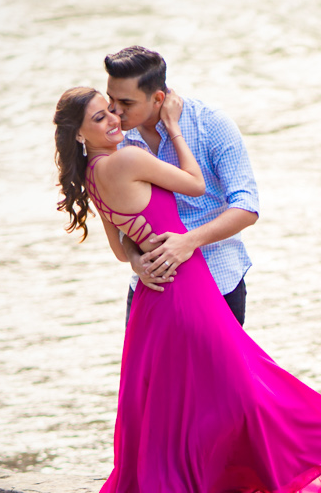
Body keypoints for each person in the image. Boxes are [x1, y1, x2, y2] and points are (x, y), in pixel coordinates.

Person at [53, 87, 321, 493]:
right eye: (100, 119)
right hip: (184, 286)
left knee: (166, 402)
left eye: (112, 111)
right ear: (80, 133)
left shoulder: (93, 169)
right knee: (241, 382)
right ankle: (294, 457)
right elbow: (196, 185)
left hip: (154, 292)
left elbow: (122, 249)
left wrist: (141, 262)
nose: (113, 121)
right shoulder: (125, 160)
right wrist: (176, 130)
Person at [103, 46, 259, 326]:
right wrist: (135, 260)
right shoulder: (115, 142)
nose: (115, 112)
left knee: (219, 372)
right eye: (110, 99)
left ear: (157, 99)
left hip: (217, 281)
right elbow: (122, 226)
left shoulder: (210, 124)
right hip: (151, 289)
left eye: (126, 103)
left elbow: (246, 207)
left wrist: (188, 242)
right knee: (146, 372)